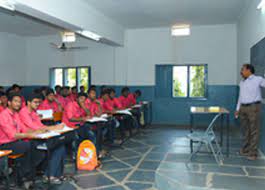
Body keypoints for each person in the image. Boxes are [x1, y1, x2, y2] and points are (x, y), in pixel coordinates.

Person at [19, 93, 66, 184]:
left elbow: (40, 125)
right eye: (35, 102)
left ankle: (54, 174)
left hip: (39, 137)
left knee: (61, 146)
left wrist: (50, 129)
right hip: (30, 140)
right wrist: (54, 128)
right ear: (28, 102)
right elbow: (33, 127)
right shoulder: (23, 112)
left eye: (38, 102)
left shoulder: (33, 112)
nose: (37, 104)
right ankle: (50, 175)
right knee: (57, 147)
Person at [0, 93, 44, 186]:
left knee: (36, 147)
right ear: (9, 102)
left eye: (19, 102)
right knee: (27, 145)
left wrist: (35, 132)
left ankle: (26, 175)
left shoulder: (16, 114)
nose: (18, 104)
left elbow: (23, 129)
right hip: (4, 145)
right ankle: (24, 177)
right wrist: (30, 134)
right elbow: (13, 135)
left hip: (16, 142)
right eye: (15, 101)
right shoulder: (3, 115)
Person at [235, 64, 265, 160]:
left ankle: (253, 153)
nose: (241, 71)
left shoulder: (258, 79)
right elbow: (240, 97)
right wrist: (237, 109)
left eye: (242, 69)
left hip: (253, 107)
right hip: (243, 108)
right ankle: (246, 149)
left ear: (249, 70)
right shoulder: (242, 83)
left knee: (254, 130)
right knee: (245, 130)